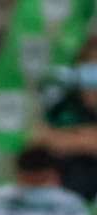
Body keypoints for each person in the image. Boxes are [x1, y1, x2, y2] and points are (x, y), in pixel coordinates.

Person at [36, 36, 97, 201]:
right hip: (70, 188)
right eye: (91, 68)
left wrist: (73, 136)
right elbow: (43, 140)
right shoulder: (65, 102)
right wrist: (88, 138)